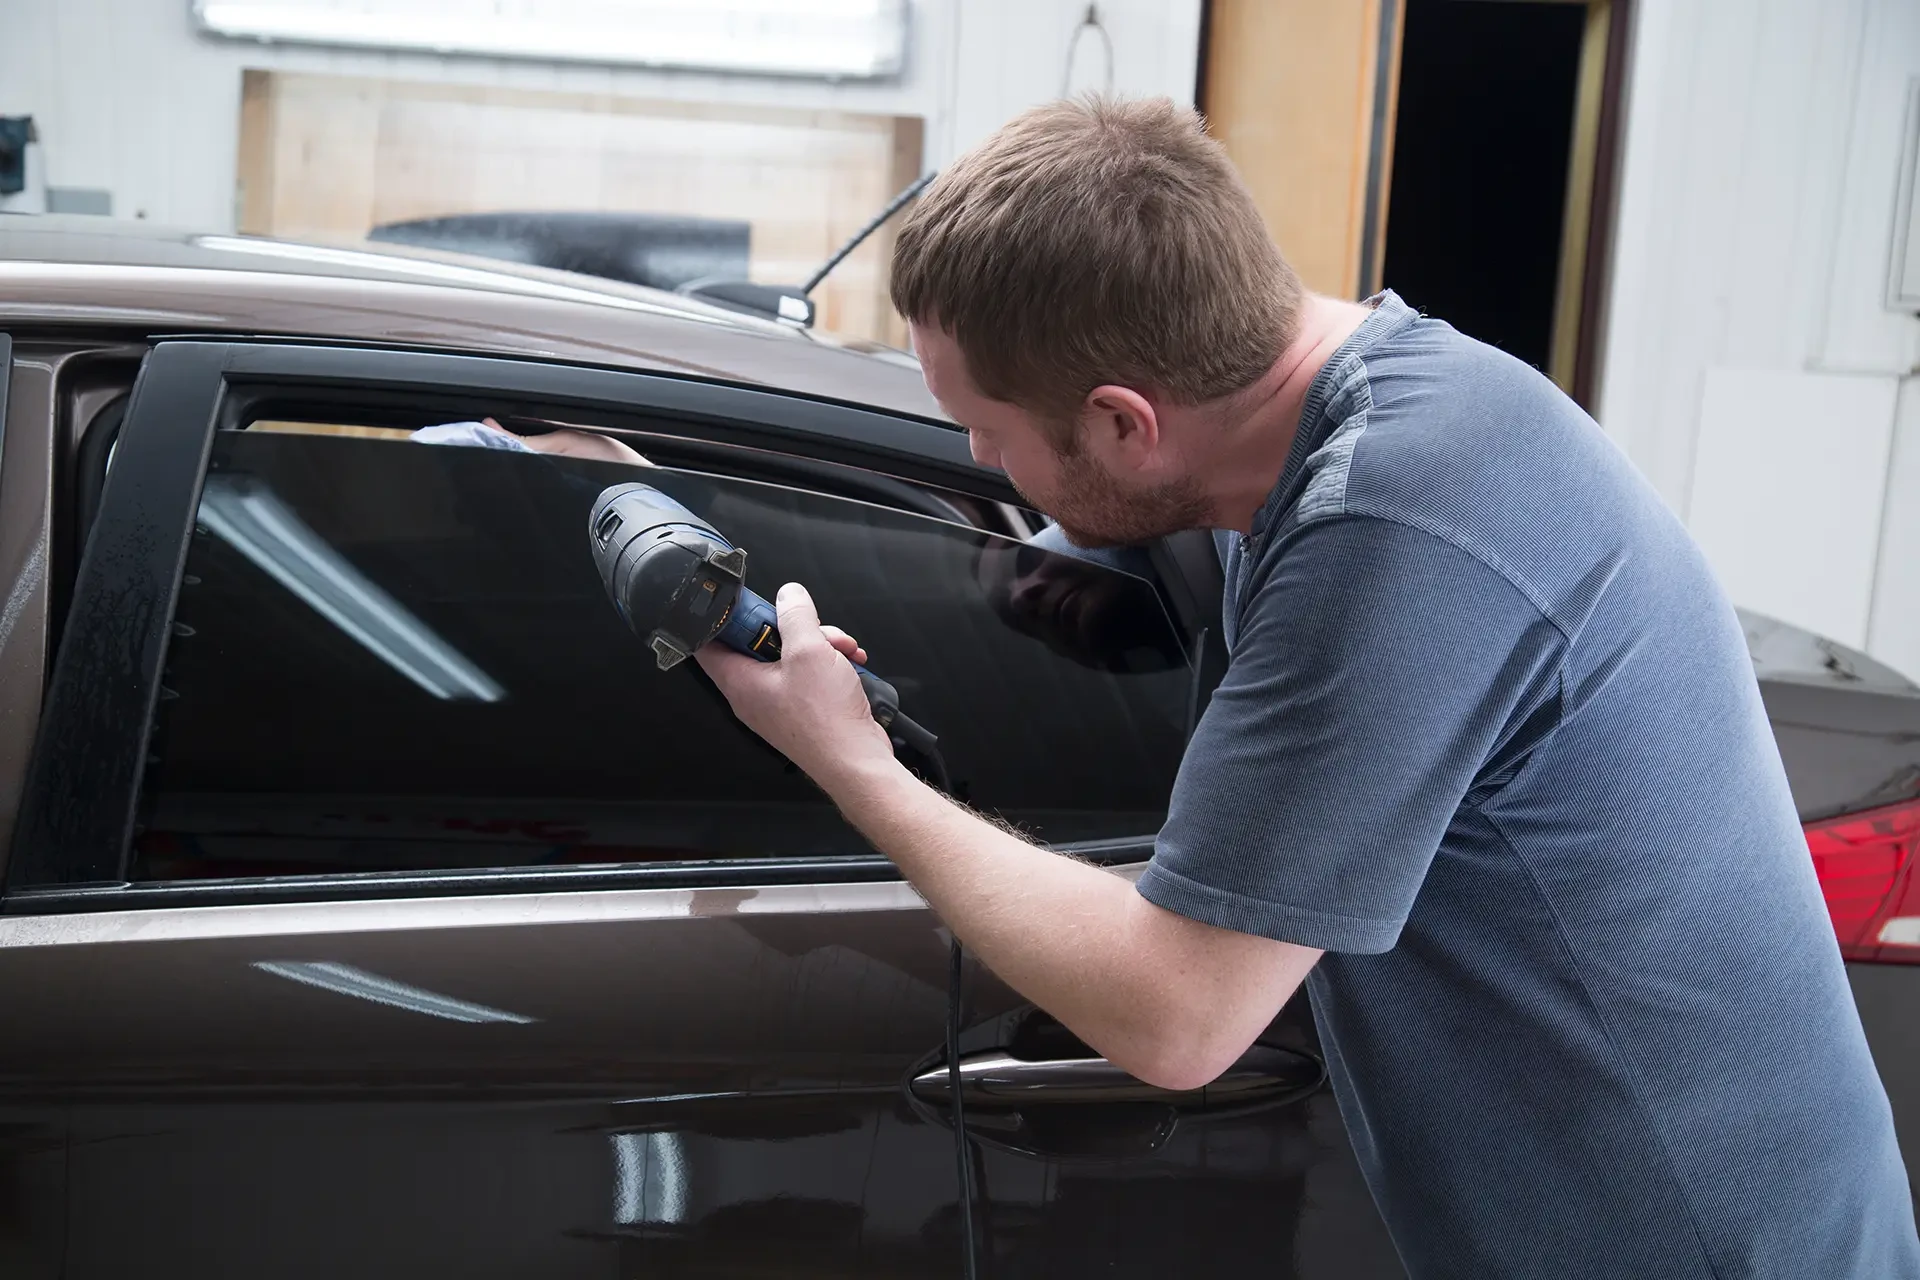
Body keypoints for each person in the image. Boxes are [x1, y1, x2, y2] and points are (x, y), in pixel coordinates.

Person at [689, 97, 1920, 1278]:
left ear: (1124, 423)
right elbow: (1167, 522)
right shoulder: (1345, 407)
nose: (977, 458)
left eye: (987, 431)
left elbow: (1178, 1015)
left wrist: (850, 760)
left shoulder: (1400, 529)